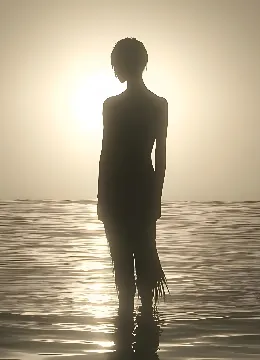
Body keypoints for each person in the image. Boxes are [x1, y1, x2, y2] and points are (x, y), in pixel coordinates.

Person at [97, 37, 169, 319]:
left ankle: (125, 330)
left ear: (124, 65)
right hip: (143, 186)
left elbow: (107, 154)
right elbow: (160, 159)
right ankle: (148, 328)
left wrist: (102, 199)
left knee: (123, 265)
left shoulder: (111, 106)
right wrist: (156, 198)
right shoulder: (158, 104)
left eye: (116, 64)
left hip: (117, 188)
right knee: (145, 257)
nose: (114, 69)